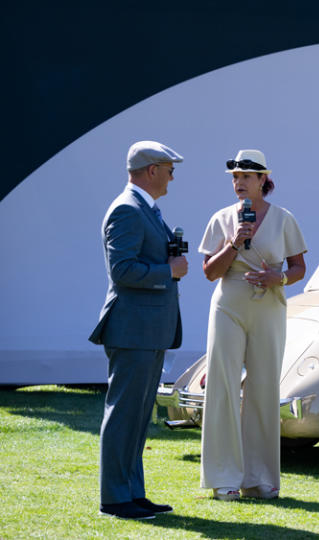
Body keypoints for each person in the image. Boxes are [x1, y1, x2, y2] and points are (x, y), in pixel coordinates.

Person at [198, 149, 307, 501]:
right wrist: (234, 241)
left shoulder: (284, 219)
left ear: (264, 180)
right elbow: (209, 272)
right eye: (235, 177)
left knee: (263, 389)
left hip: (268, 309)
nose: (239, 182)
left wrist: (280, 278)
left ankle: (260, 478)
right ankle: (224, 478)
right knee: (223, 387)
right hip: (228, 307)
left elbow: (298, 268)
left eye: (247, 176)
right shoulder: (221, 219)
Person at [89, 141, 188, 520]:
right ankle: (115, 498)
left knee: (136, 415)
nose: (172, 175)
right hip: (133, 329)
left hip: (146, 330)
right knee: (124, 415)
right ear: (151, 170)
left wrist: (166, 262)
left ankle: (131, 492)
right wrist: (170, 271)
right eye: (169, 168)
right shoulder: (128, 210)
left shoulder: (143, 209)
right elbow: (123, 271)